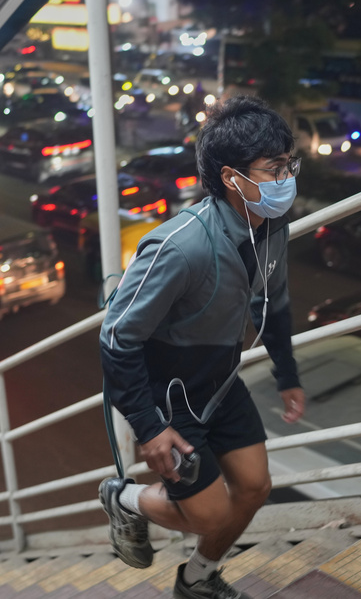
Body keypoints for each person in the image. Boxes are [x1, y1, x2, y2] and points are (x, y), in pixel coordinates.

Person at [98, 95, 305, 599]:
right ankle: (124, 499)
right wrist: (149, 428)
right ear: (233, 177)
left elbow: (272, 305)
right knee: (208, 514)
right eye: (274, 168)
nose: (287, 177)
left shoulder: (272, 227)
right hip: (170, 393)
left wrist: (288, 375)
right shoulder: (182, 246)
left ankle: (197, 580)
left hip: (219, 378)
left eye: (289, 164)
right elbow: (116, 338)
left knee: (255, 488)